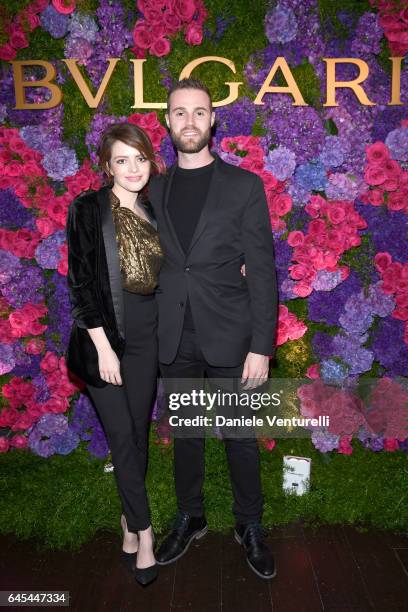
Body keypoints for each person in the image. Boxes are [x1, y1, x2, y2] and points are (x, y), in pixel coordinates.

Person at [149, 78, 278, 579]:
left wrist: (261, 346)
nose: (189, 122)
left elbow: (262, 270)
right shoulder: (153, 189)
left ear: (213, 120)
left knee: (239, 436)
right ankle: (192, 516)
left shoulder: (244, 186)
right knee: (187, 435)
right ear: (167, 122)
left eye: (198, 112)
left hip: (231, 335)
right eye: (179, 113)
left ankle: (249, 525)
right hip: (173, 336)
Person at [66, 122, 163, 587]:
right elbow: (82, 285)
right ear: (107, 166)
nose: (132, 168)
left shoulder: (155, 207)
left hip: (149, 339)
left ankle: (127, 519)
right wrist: (104, 349)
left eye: (139, 158)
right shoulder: (88, 209)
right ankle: (144, 533)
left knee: (138, 437)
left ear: (150, 161)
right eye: (121, 160)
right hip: (104, 340)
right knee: (122, 438)